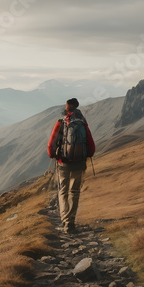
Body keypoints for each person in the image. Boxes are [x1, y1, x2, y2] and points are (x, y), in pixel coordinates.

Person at [46, 98, 96, 234]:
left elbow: (51, 145)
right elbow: (91, 147)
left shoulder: (61, 123)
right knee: (74, 192)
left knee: (63, 191)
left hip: (63, 163)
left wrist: (54, 156)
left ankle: (64, 218)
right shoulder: (83, 124)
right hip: (79, 164)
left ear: (68, 109)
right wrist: (85, 156)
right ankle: (70, 223)